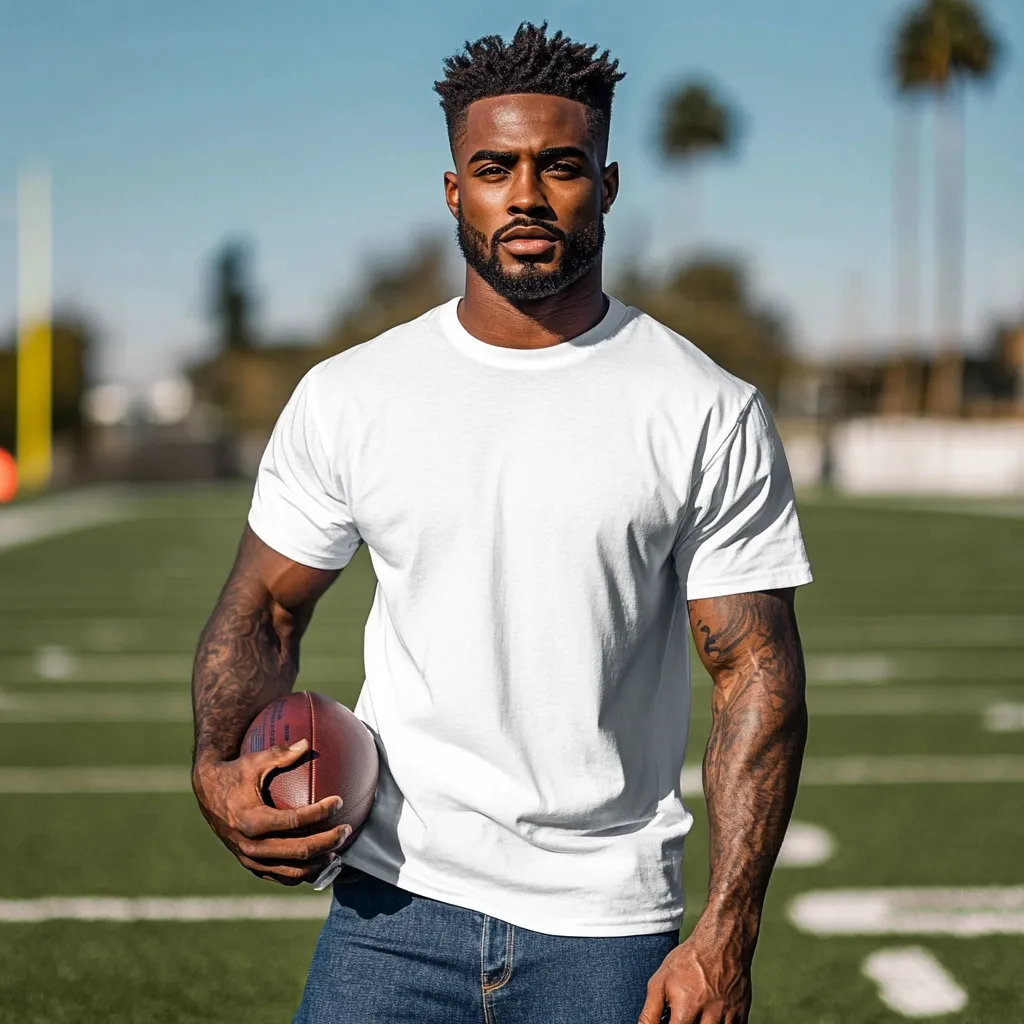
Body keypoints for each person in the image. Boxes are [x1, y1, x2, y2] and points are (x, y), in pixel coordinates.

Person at [191, 22, 812, 1024]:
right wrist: (215, 768)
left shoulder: (703, 406)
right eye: (493, 167)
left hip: (605, 927)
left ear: (604, 186)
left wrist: (726, 933)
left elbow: (754, 675)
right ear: (453, 191)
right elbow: (264, 603)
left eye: (558, 166)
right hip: (389, 905)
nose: (525, 196)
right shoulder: (352, 394)